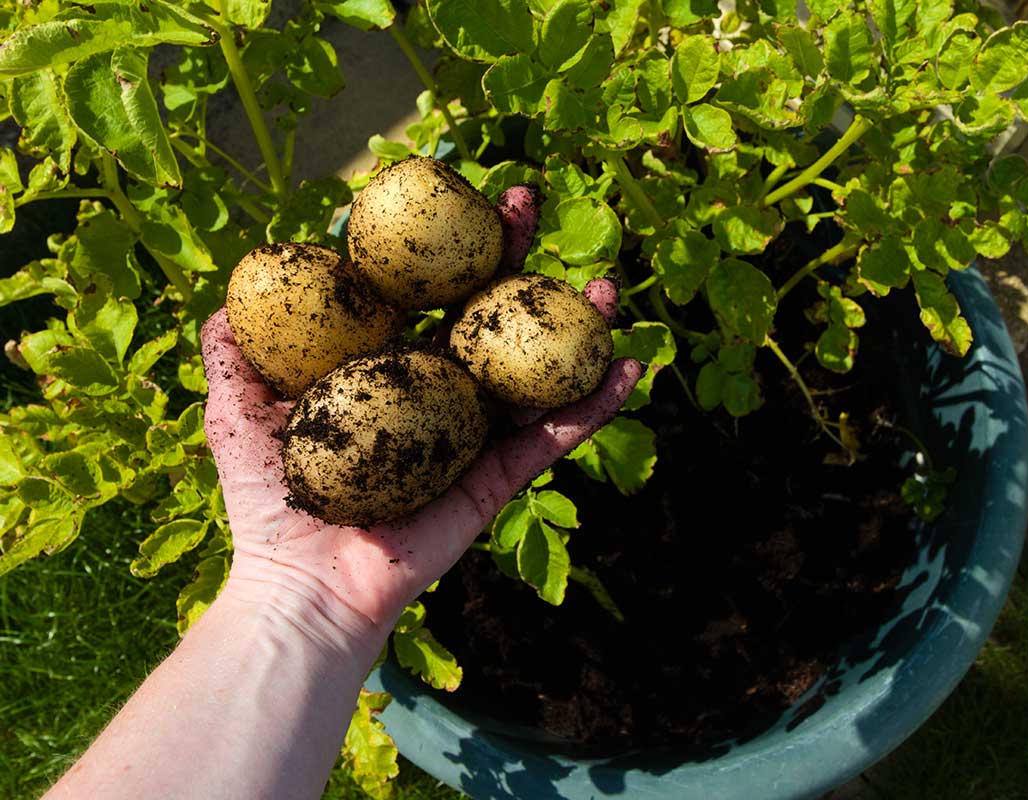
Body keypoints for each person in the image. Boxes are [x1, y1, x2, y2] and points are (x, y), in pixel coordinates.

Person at [44, 192, 642, 800]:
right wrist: (297, 591)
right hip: (410, 400)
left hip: (425, 387)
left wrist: (292, 599)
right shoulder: (399, 386)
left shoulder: (440, 359)